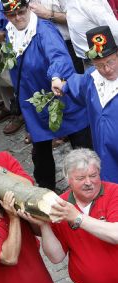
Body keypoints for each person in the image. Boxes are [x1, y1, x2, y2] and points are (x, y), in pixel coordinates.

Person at [1, 0, 92, 191]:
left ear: (28, 8)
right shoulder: (11, 32)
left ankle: (91, 181)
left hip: (60, 95)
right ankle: (46, 189)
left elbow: (58, 56)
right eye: (12, 14)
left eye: (21, 12)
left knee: (81, 141)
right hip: (33, 101)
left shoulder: (44, 31)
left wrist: (57, 76)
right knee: (41, 149)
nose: (18, 18)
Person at [22, 148, 118, 283]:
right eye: (80, 178)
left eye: (93, 175)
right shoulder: (60, 205)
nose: (88, 182)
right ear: (68, 178)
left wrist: (77, 217)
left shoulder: (114, 192)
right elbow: (56, 257)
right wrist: (44, 226)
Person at [53, 26, 118, 183]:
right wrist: (59, 82)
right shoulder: (91, 78)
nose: (107, 69)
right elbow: (75, 84)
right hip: (105, 156)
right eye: (100, 65)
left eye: (111, 61)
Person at [65, 0, 118, 69]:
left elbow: (115, 30)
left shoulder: (89, 3)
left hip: (102, 60)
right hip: (88, 59)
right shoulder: (71, 2)